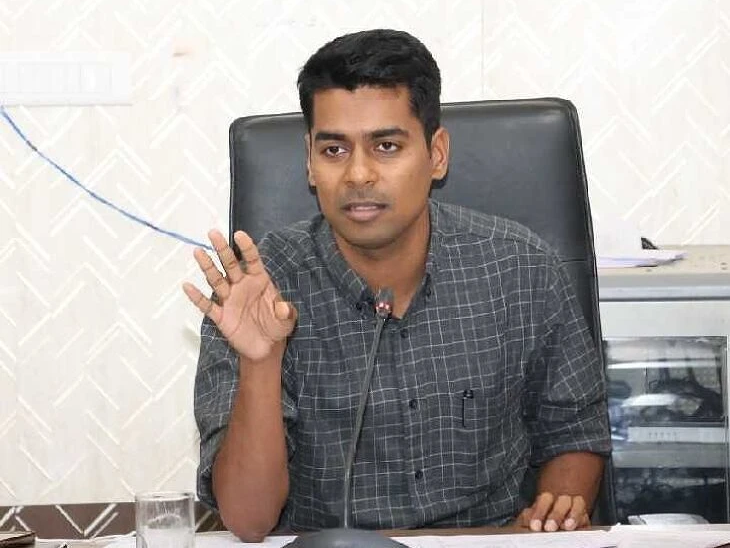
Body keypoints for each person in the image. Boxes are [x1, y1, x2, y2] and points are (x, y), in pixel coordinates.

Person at [183, 28, 611, 543]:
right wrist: (261, 361)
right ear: (310, 163)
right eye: (334, 150)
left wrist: (554, 513)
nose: (358, 175)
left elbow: (574, 430)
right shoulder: (257, 291)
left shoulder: (519, 267)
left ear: (437, 154)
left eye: (386, 146)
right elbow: (248, 521)